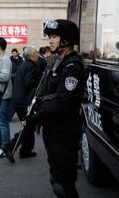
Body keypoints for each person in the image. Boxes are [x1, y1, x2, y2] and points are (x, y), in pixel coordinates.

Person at [26, 20, 85, 198]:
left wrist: (38, 115)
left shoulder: (72, 66)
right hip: (53, 130)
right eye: (49, 37)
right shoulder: (59, 62)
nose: (50, 41)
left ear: (66, 40)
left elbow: (63, 102)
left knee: (64, 185)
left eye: (54, 37)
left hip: (64, 133)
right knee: (56, 178)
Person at [3, 46, 40, 161]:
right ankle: (10, 146)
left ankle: (26, 150)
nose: (38, 55)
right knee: (28, 127)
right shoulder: (30, 66)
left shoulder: (24, 64)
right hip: (24, 101)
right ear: (32, 55)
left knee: (29, 125)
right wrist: (38, 89)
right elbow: (30, 83)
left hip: (18, 100)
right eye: (37, 53)